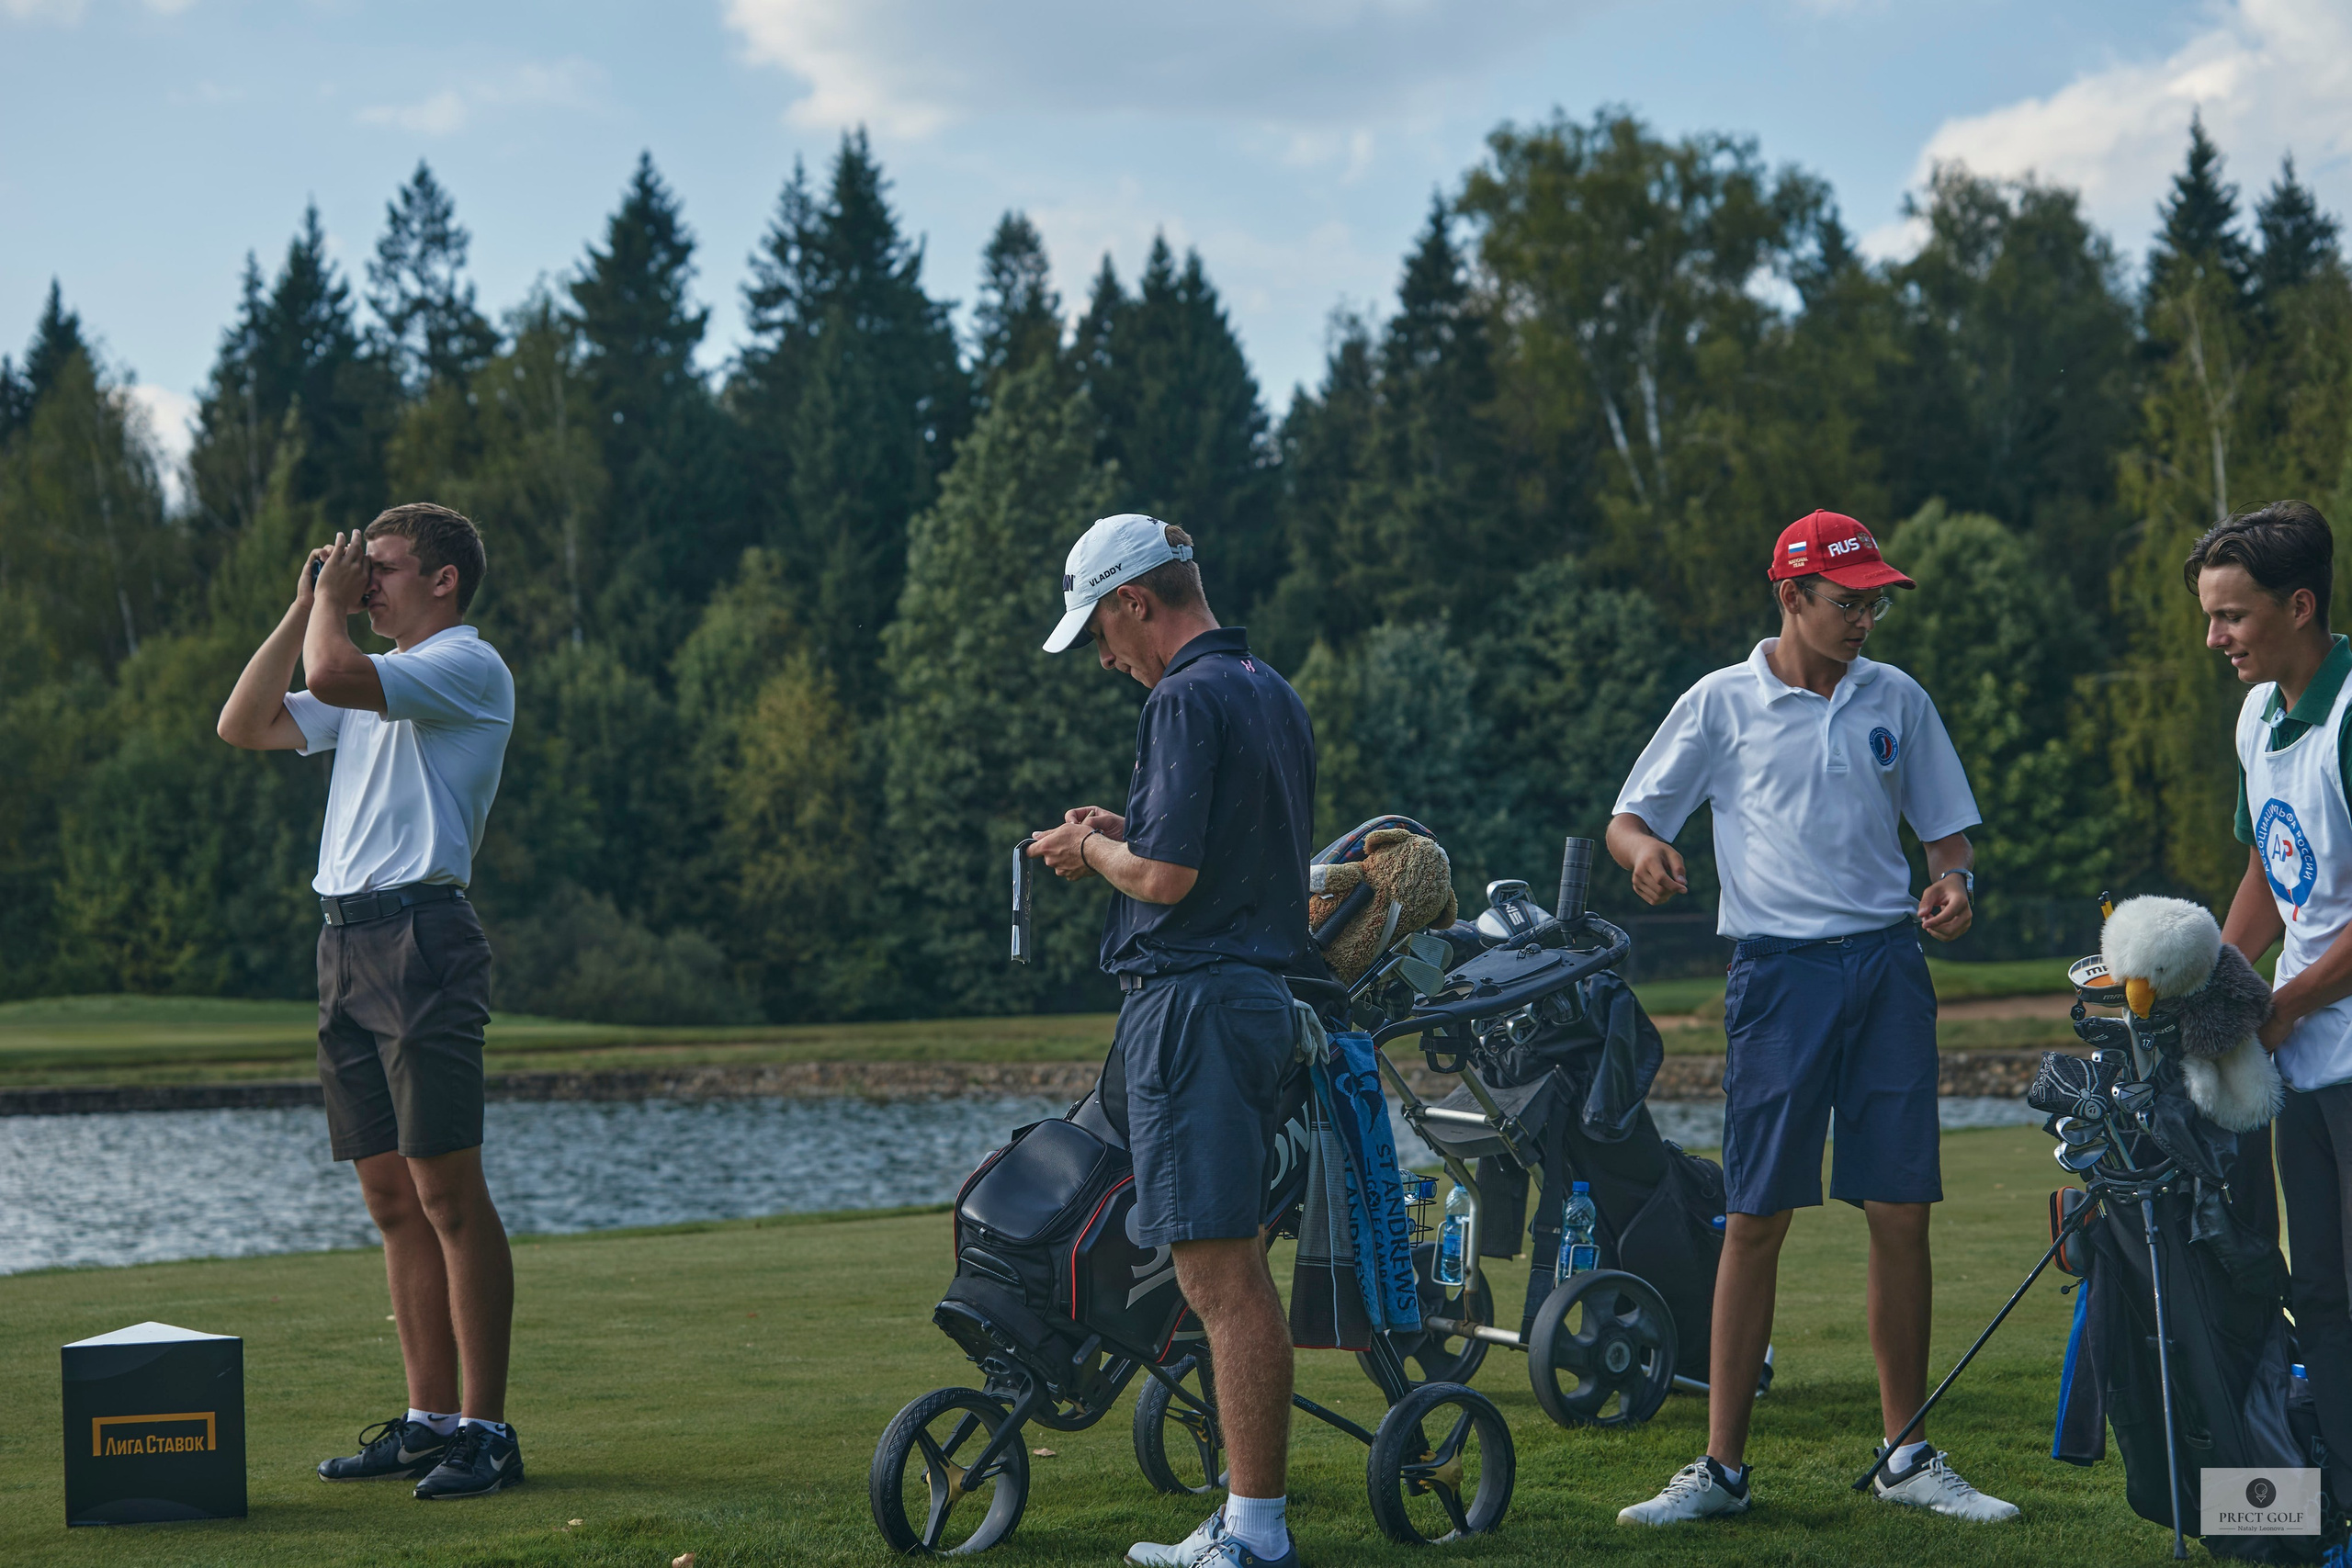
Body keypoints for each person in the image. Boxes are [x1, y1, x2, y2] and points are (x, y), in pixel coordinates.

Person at [1606, 510, 2017, 1527]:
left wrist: (1956, 888)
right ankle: (1721, 1470)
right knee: (1754, 1217)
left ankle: (1906, 1454)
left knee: (1899, 1212)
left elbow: (1948, 840)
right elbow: (1629, 817)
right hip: (1775, 979)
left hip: (1887, 968)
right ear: (1789, 597)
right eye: (1847, 600)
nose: (1866, 617)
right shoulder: (1718, 703)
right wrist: (1642, 856)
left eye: (1876, 598)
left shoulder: (1898, 699)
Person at [1027, 513, 1317, 1568]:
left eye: (1101, 632)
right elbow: (1200, 847)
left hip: (1192, 1004)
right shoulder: (1263, 687)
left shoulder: (1184, 698)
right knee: (1227, 1267)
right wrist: (1122, 831)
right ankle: (1251, 1522)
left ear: (1133, 602)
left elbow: (1168, 881)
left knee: (1219, 1277)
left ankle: (1255, 1535)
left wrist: (1088, 851)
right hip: (1250, 999)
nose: (1104, 658)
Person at [216, 503, 521, 1501]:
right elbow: (245, 723)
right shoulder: (361, 672)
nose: (366, 583)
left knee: (447, 1196)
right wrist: (308, 602)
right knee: (391, 1200)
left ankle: (487, 1430)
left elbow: (336, 672)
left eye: (381, 569)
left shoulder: (463, 666)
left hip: (422, 937)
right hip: (344, 941)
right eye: (360, 571)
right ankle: (430, 1421)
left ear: (443, 581)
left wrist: (331, 617)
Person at [2195, 499, 2352, 1514]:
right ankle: (2333, 1497)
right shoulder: (2258, 713)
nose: (2215, 640)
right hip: (2303, 1062)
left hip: (2331, 1044)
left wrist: (2285, 1002)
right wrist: (2209, 980)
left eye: (2233, 618)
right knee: (2321, 1296)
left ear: (2299, 606)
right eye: (2210, 618)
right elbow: (2270, 864)